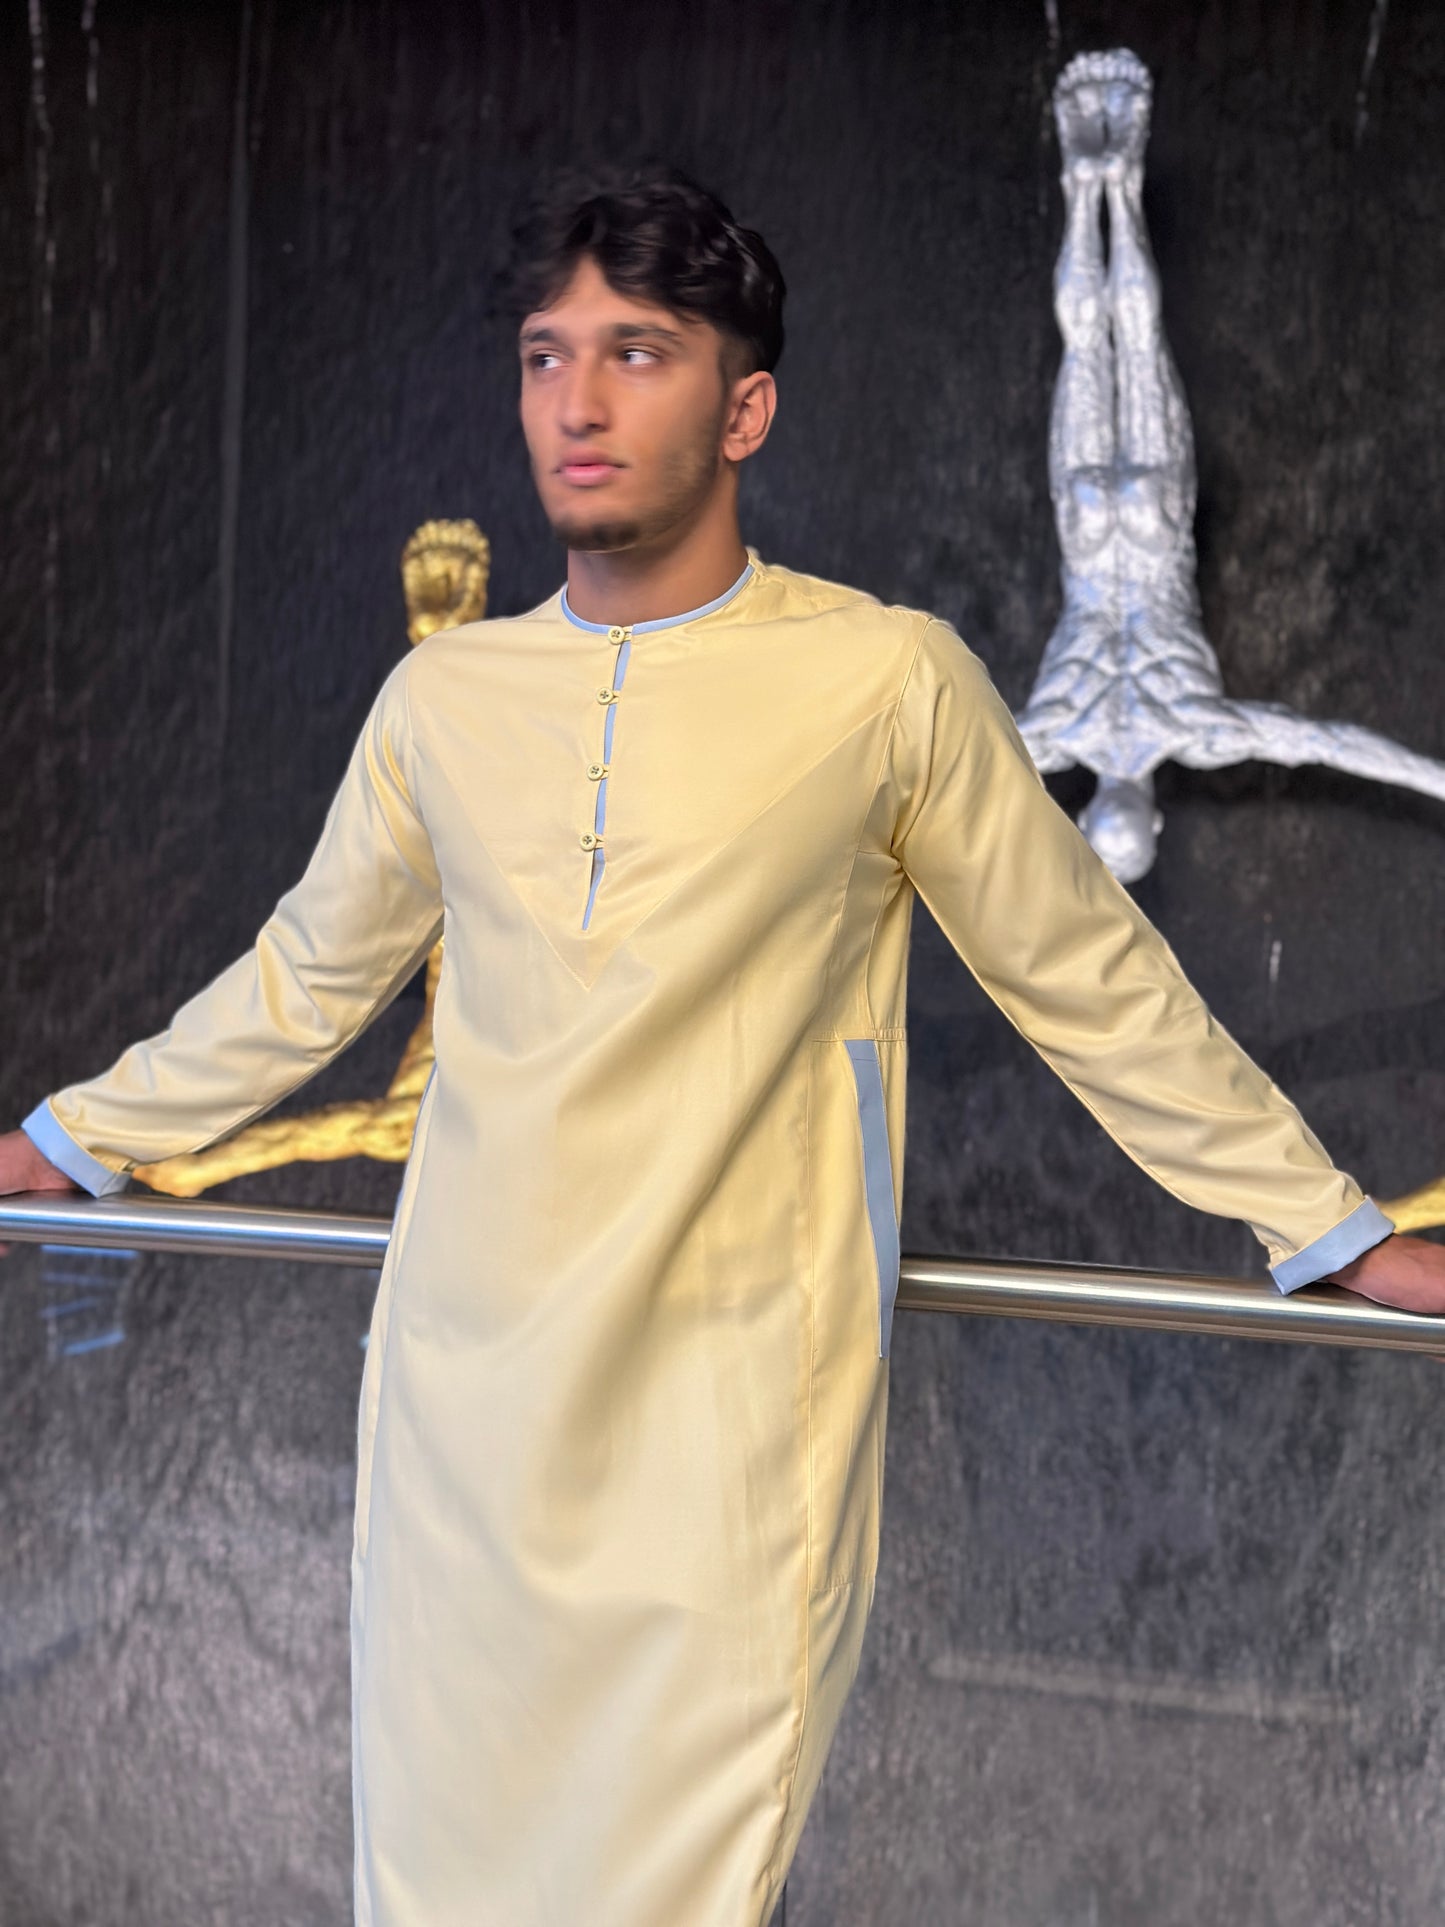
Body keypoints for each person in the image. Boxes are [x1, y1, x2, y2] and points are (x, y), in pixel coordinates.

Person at [2, 164, 1442, 1927]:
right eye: (546, 354)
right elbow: (304, 979)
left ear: (744, 408)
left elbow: (1089, 979)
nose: (577, 402)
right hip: (460, 1422)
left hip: (736, 1433)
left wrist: (1326, 1222)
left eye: (637, 352)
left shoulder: (886, 680)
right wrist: (62, 1142)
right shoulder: (444, 701)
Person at [1016, 50, 1445, 884]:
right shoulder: (1041, 737)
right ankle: (1091, 185)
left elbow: (1326, 744)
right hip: (1095, 531)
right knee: (1092, 341)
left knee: (1131, 338)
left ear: (1154, 816)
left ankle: (1114, 183)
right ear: (1083, 812)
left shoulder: (1199, 731)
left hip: (1151, 527)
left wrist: (1435, 778)